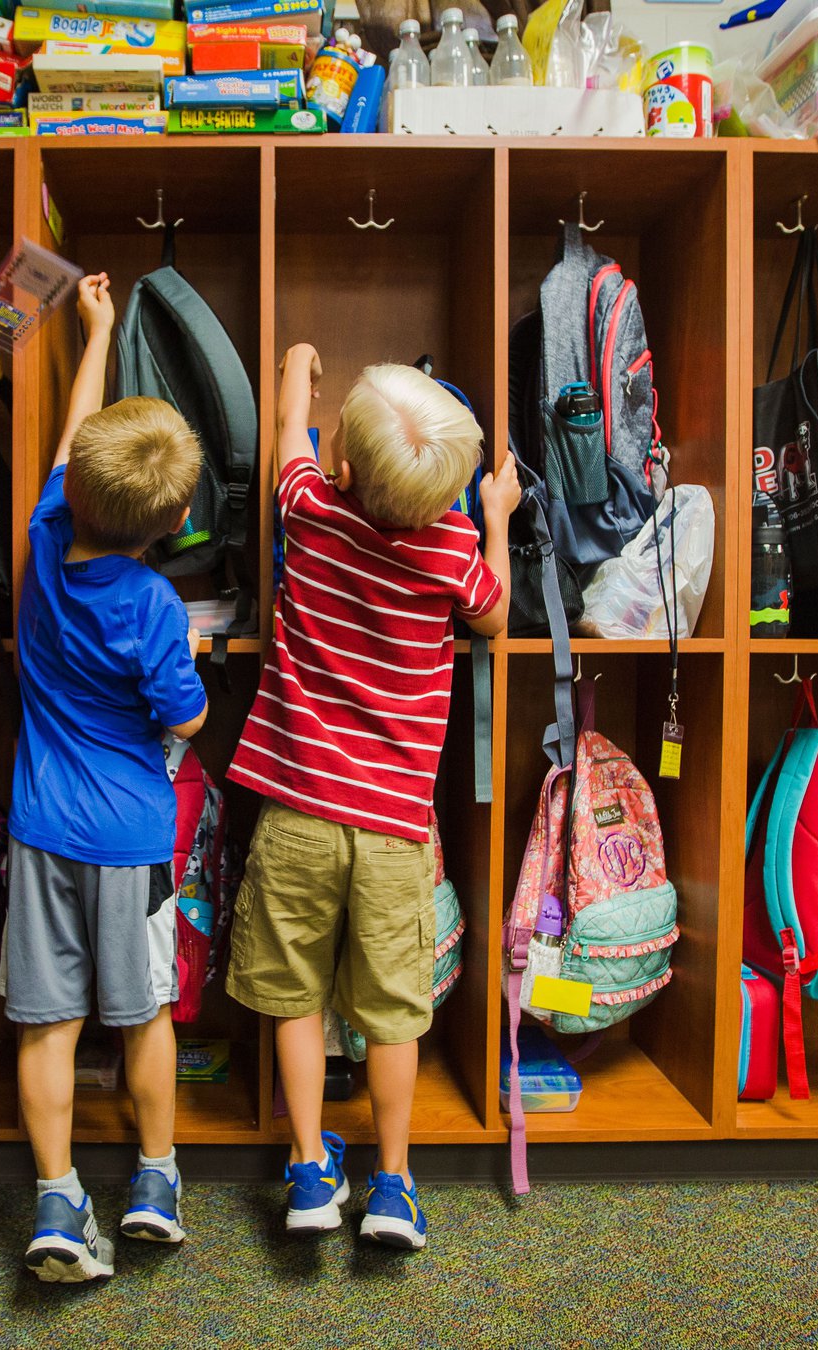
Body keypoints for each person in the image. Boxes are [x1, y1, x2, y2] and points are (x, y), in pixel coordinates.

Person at [225, 348, 517, 1251]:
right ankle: (391, 1184)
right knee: (393, 1013)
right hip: (393, 829)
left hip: (297, 813)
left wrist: (296, 376)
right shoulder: (452, 548)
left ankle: (312, 1170)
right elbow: (496, 614)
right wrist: (498, 516)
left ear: (342, 466)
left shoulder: (311, 513)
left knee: (293, 997)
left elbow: (286, 447)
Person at [4, 273, 209, 1284]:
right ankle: (156, 1179)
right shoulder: (156, 607)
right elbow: (184, 718)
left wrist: (95, 332)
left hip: (40, 826)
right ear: (170, 521)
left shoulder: (42, 538)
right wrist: (191, 681)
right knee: (143, 1017)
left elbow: (72, 433)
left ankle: (54, 1198)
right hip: (131, 838)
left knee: (46, 1023)